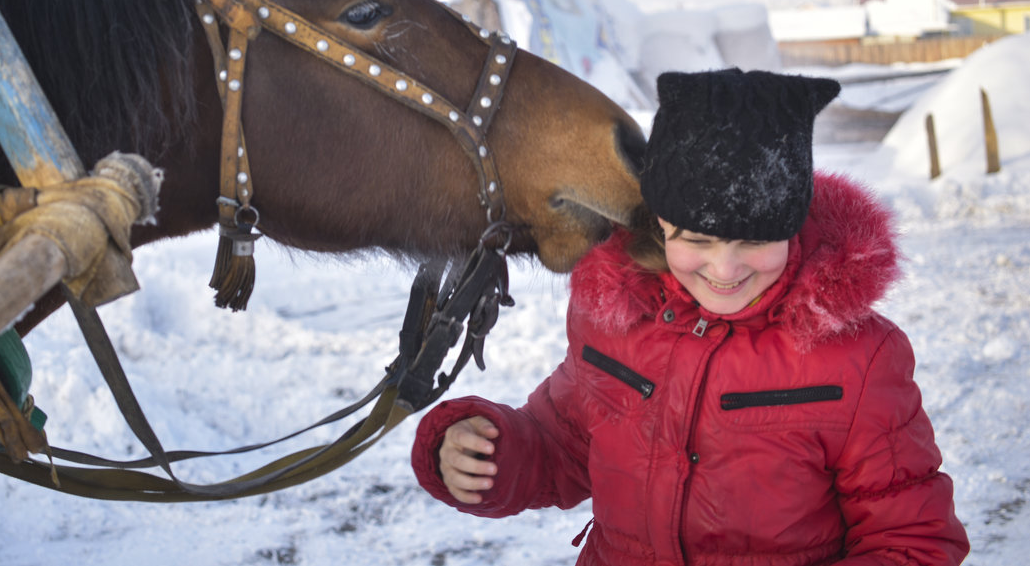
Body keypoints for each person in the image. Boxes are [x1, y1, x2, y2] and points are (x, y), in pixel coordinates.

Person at [410, 68, 969, 565]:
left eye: (755, 240)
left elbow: (914, 540)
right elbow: (567, 441)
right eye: (697, 239)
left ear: (792, 227)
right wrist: (486, 451)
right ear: (661, 226)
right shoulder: (613, 318)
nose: (725, 268)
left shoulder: (858, 359)